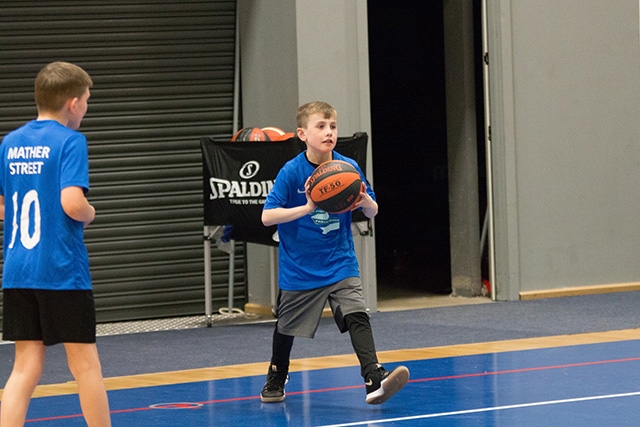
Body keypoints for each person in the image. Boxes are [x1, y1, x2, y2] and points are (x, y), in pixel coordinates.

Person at [260, 101, 409, 405]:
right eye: (321, 126)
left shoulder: (347, 168)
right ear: (302, 133)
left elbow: (373, 210)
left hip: (339, 261)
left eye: (333, 127)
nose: (329, 132)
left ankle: (373, 376)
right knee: (286, 326)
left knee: (357, 313)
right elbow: (267, 217)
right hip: (300, 267)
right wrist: (306, 208)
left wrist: (364, 202)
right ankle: (277, 372)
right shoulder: (291, 172)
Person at [0, 62, 112, 426]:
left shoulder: (9, 143)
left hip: (17, 271)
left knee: (24, 368)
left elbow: (3, 206)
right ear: (74, 103)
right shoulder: (70, 141)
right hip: (61, 270)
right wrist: (90, 212)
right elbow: (72, 204)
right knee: (85, 366)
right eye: (88, 100)